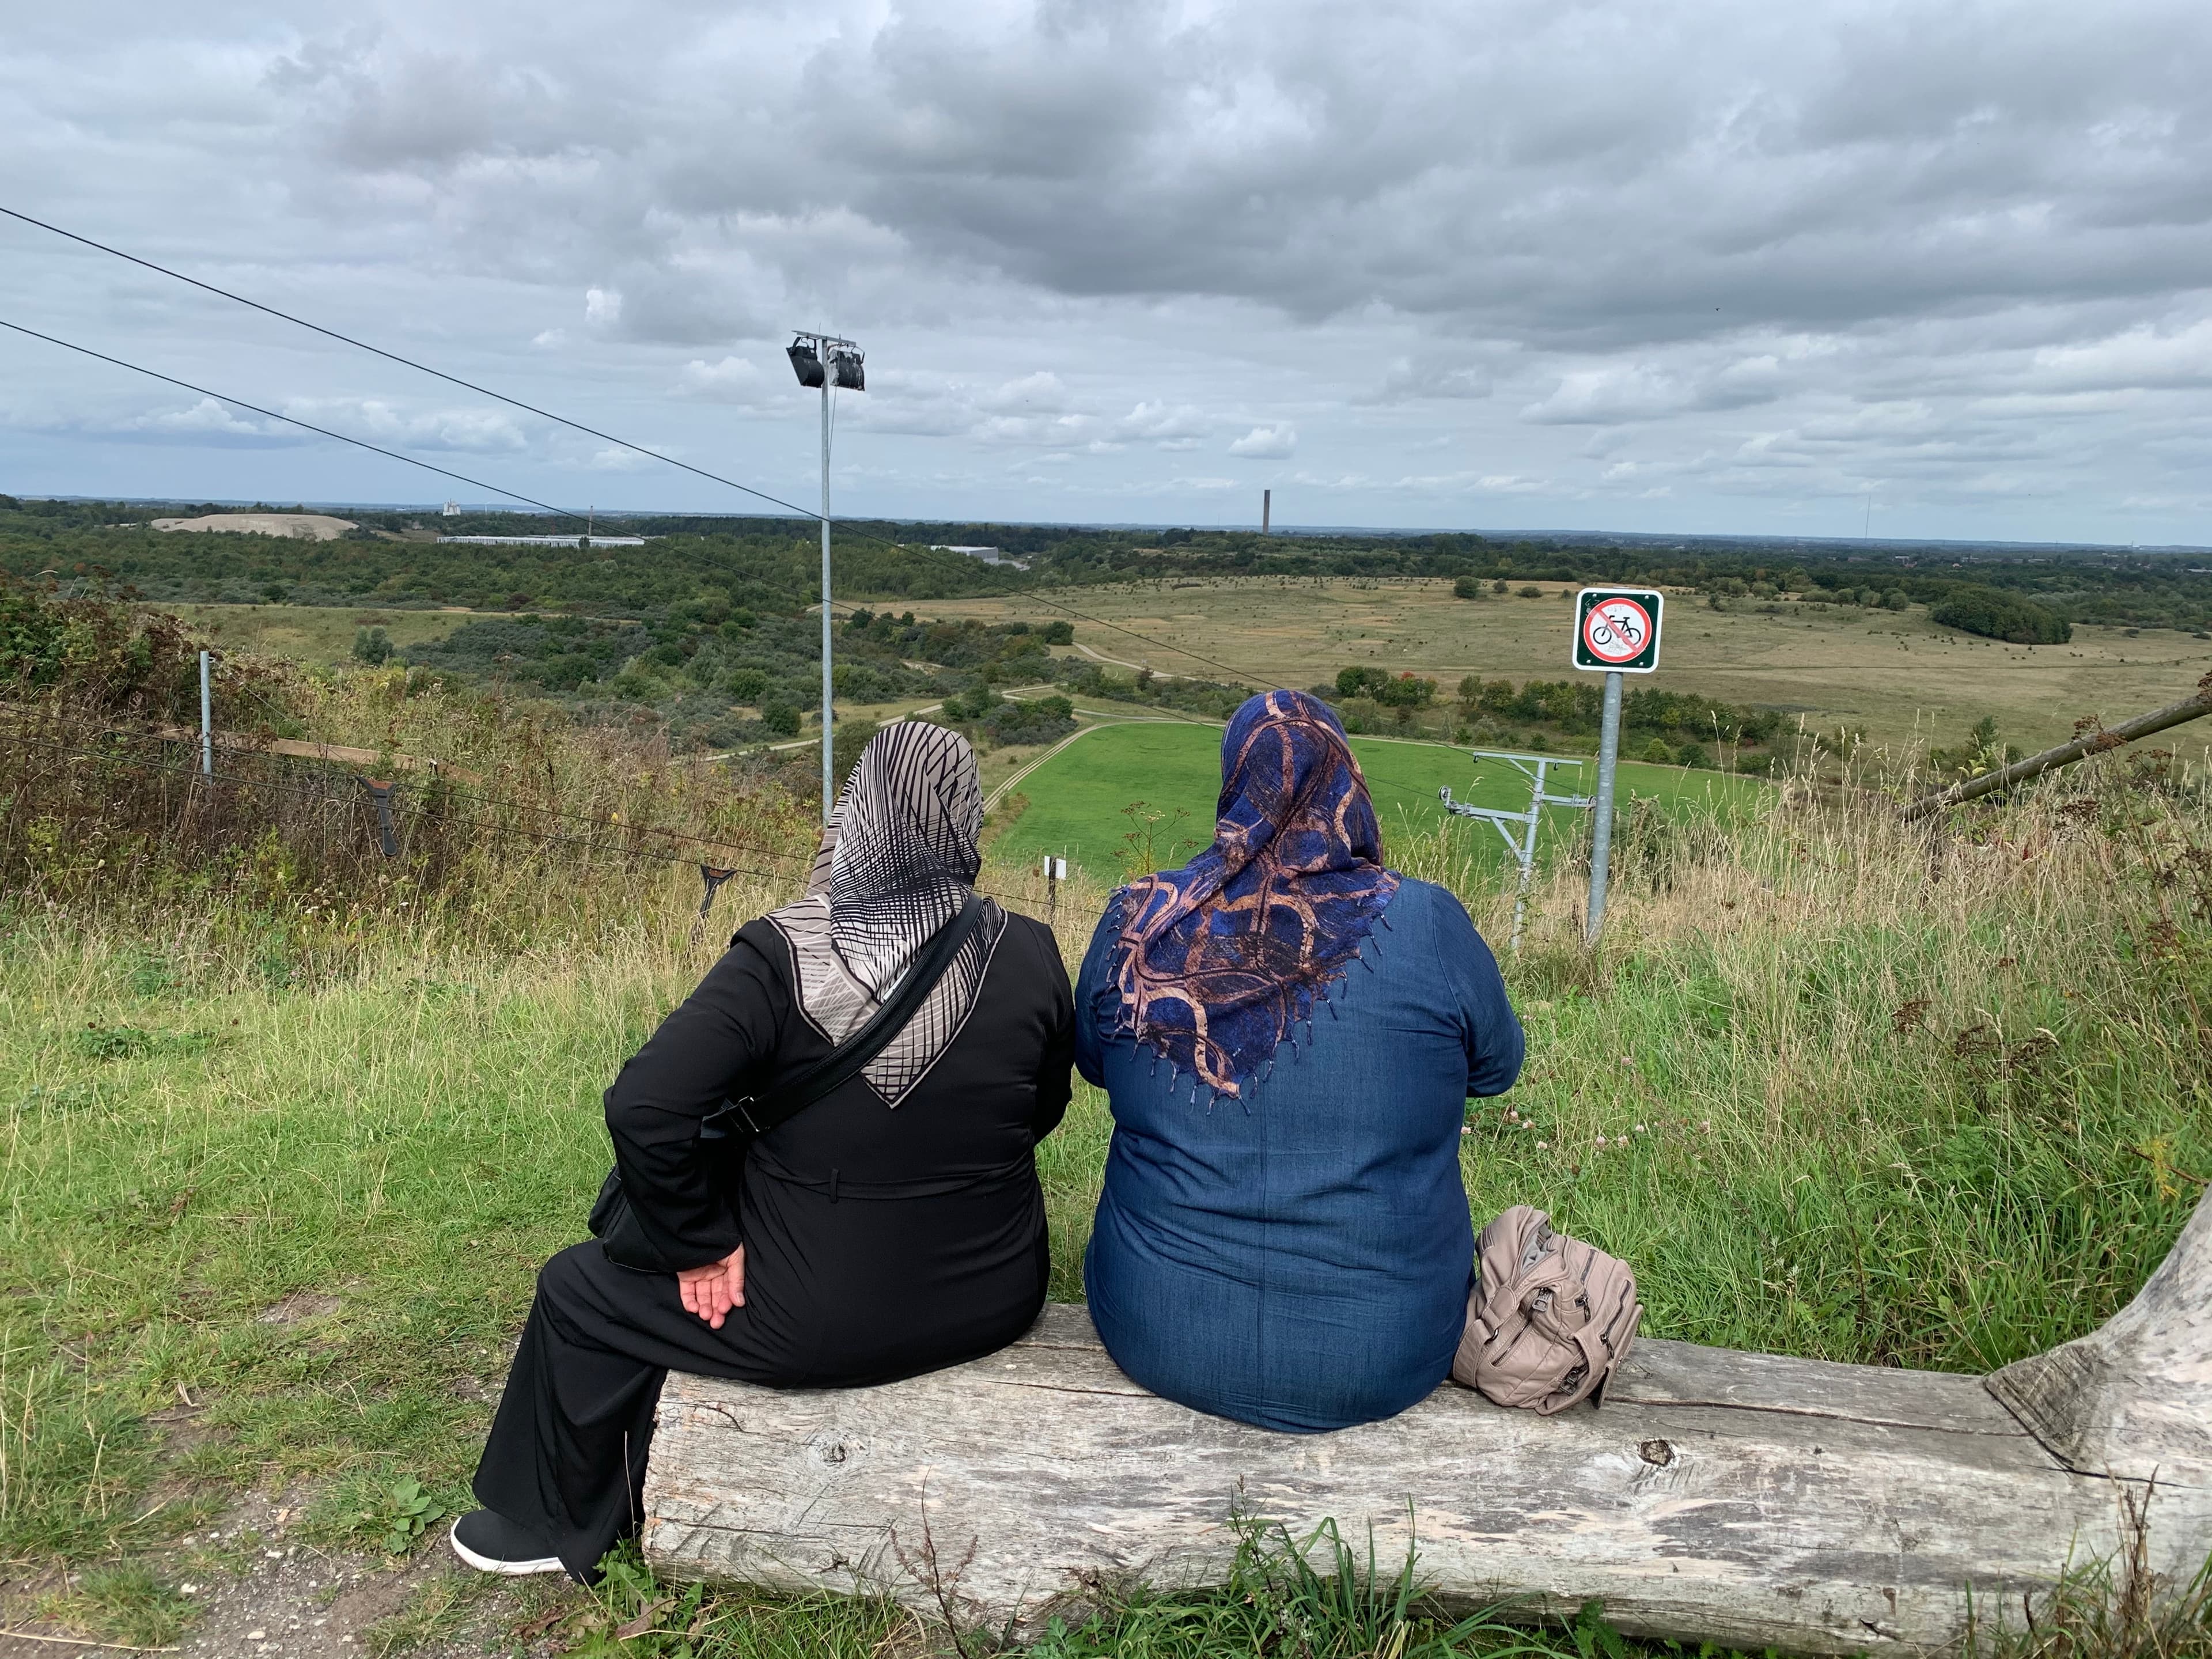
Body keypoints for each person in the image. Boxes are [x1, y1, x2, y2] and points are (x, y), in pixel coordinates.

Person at [451, 722, 1074, 1580]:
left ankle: (556, 1525)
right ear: (964, 818)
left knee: (576, 1287)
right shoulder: (1029, 948)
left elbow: (646, 1107)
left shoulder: (783, 951)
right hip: (1001, 1289)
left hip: (822, 1320)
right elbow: (1043, 1108)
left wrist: (700, 1243)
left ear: (857, 814)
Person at [1076, 689, 1522, 1434]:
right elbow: (1496, 1069)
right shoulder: (1428, 923)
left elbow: (1094, 1063)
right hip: (1385, 1351)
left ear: (1234, 788)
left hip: (1157, 1327)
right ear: (1348, 788)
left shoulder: (1135, 921)